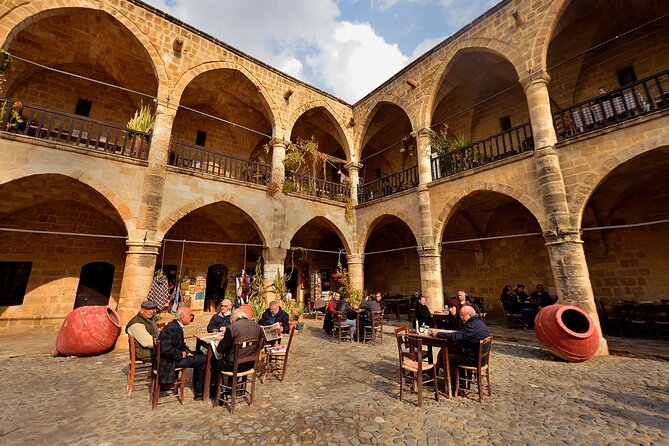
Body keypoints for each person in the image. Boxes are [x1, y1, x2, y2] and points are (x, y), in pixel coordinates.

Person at [431, 305, 490, 393]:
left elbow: (457, 336)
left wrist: (438, 334)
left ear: (469, 315)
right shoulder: (479, 322)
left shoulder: (471, 326)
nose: (461, 318)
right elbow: (462, 335)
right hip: (481, 357)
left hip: (474, 359)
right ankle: (461, 381)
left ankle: (453, 385)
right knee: (454, 352)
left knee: (445, 357)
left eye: (462, 315)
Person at [158, 307, 206, 400]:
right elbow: (166, 349)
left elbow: (181, 344)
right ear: (182, 317)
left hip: (174, 356)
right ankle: (199, 392)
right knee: (203, 360)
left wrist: (187, 352)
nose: (191, 317)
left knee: (199, 353)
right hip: (169, 361)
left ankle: (198, 386)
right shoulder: (172, 328)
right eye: (190, 315)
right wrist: (181, 354)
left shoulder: (177, 326)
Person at [216, 308, 264, 373]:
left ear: (233, 319)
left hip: (233, 365)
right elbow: (262, 344)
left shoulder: (232, 327)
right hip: (250, 363)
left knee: (213, 361)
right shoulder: (257, 326)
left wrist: (221, 341)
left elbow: (221, 349)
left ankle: (215, 382)